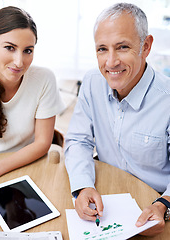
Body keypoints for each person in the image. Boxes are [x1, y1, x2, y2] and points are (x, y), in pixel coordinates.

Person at [65, 2, 170, 237]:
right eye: (102, 49)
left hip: (155, 205)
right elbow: (78, 140)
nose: (111, 62)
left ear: (146, 46)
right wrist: (83, 186)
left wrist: (165, 205)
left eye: (122, 47)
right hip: (107, 198)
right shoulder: (92, 82)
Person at [0, 6, 64, 209]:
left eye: (28, 50)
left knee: (52, 207)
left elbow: (42, 143)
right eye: (10, 47)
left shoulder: (44, 79)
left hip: (33, 156)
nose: (19, 62)